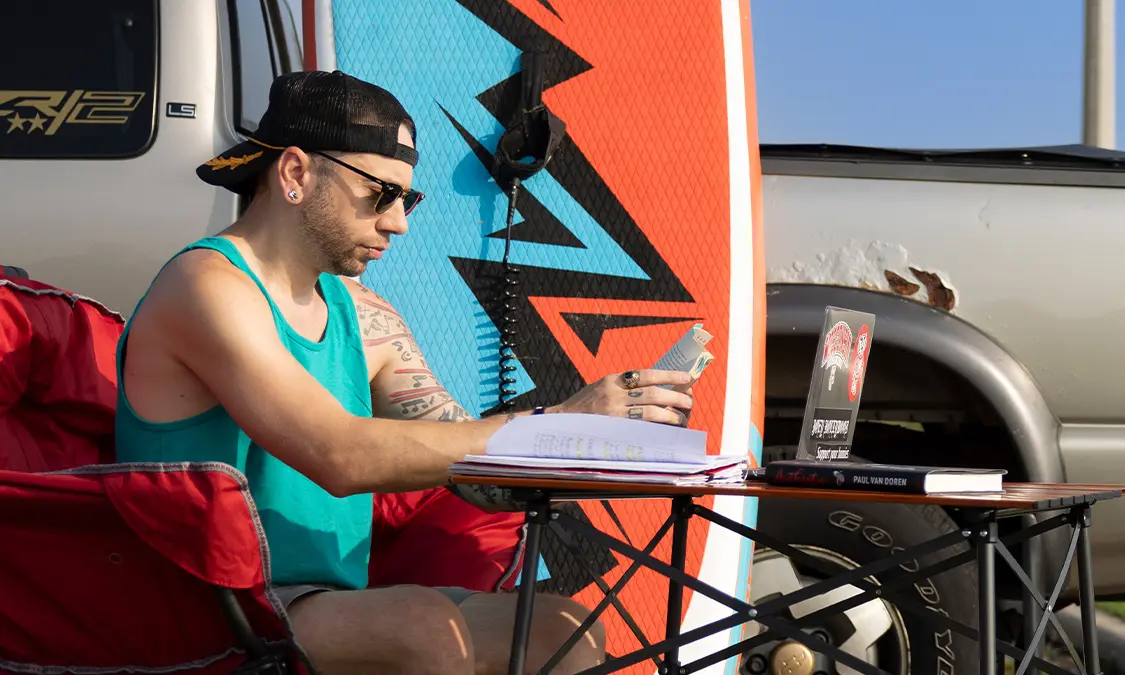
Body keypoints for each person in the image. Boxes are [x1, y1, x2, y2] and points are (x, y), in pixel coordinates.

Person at [114, 70, 695, 675]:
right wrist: (555, 419)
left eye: (407, 199)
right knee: (420, 629)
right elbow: (339, 455)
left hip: (316, 608)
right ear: (294, 173)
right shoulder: (207, 286)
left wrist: (602, 442)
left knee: (565, 629)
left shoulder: (365, 314)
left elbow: (479, 482)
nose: (399, 223)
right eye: (381, 194)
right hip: (208, 611)